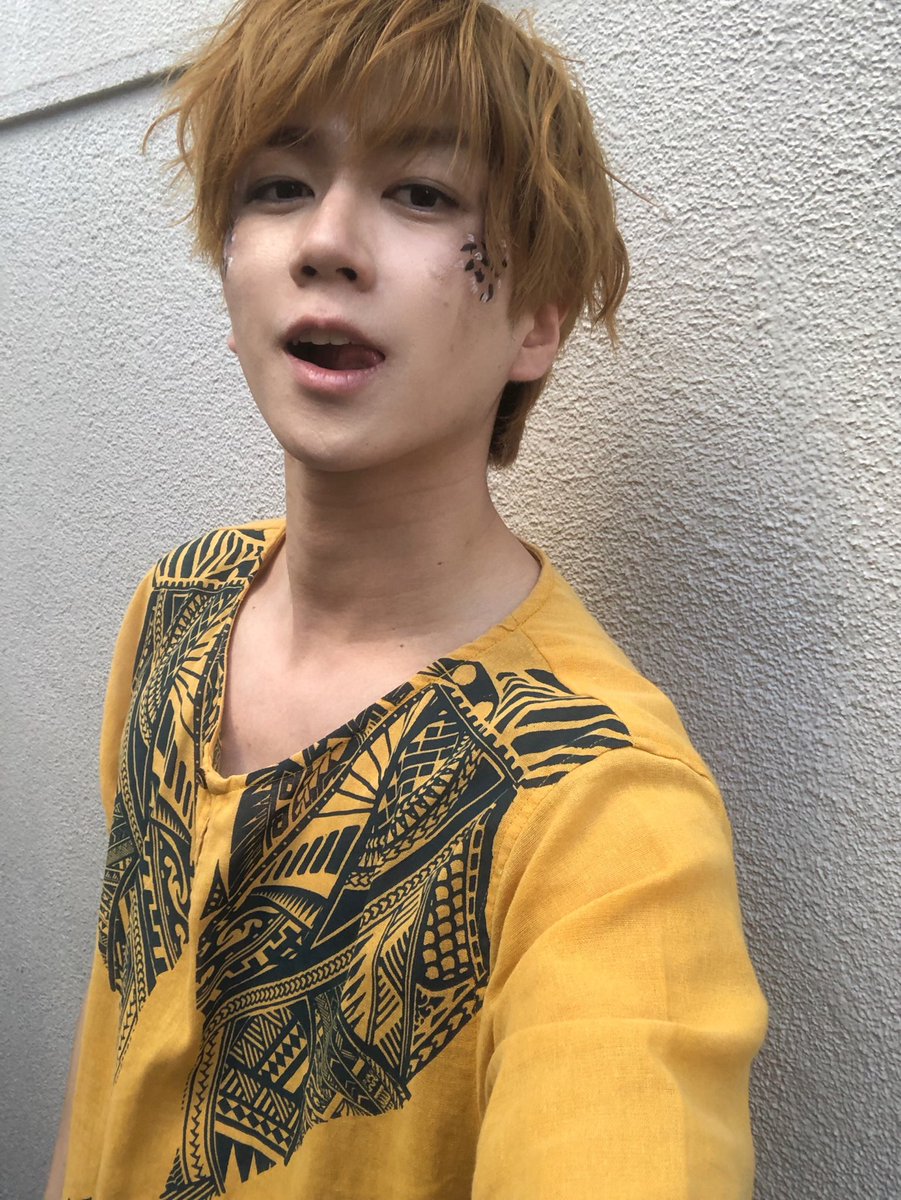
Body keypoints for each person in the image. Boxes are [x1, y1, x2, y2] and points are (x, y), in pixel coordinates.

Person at [46, 0, 768, 1196]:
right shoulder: (176, 608)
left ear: (537, 321)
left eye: (421, 194)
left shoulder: (607, 811)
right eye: (279, 187)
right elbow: (110, 1045)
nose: (326, 241)